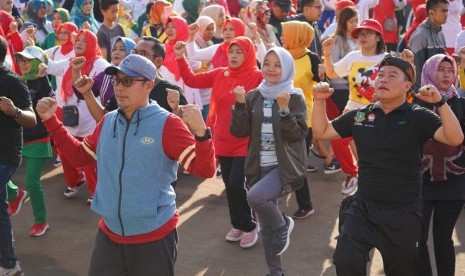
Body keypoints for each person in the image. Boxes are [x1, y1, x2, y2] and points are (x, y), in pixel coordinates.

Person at [36, 54, 216, 275]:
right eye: (117, 80)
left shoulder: (168, 124)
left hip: (154, 238)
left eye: (128, 81)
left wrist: (201, 133)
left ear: (149, 85)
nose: (120, 87)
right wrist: (51, 120)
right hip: (109, 234)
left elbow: (204, 169)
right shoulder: (108, 121)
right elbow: (79, 156)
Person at [312, 55, 463, 275]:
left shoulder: (417, 116)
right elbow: (322, 132)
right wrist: (319, 101)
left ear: (407, 86)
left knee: (402, 270)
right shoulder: (361, 115)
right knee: (346, 260)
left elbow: (454, 138)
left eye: (392, 76)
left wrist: (440, 103)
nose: (383, 79)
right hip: (363, 208)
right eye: (380, 75)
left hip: (402, 213)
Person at [176, 36, 261, 248]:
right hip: (222, 139)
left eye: (239, 52)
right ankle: (239, 223)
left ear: (248, 54)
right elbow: (192, 81)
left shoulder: (257, 77)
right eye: (230, 52)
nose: (233, 56)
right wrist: (180, 58)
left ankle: (251, 226)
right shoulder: (220, 73)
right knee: (229, 185)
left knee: (236, 183)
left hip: (245, 140)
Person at [230, 47, 307, 275]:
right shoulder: (255, 95)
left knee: (255, 197)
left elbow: (299, 134)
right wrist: (240, 105)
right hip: (259, 167)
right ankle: (276, 272)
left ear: (286, 69)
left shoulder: (294, 97)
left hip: (283, 166)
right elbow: (239, 131)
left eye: (277, 65)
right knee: (265, 228)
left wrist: (284, 110)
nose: (271, 69)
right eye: (267, 64)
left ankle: (283, 223)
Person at [322, 18, 387, 195]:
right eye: (360, 34)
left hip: (380, 110)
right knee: (337, 138)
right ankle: (353, 173)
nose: (362, 37)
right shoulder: (353, 57)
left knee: (374, 148)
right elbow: (332, 72)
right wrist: (327, 54)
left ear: (378, 37)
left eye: (367, 33)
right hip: (354, 108)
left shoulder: (387, 59)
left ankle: (373, 177)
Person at [415, 54, 465, 276]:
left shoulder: (460, 103)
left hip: (454, 181)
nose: (446, 74)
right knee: (417, 238)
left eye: (450, 70)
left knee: (443, 239)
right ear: (430, 71)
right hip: (419, 181)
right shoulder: (414, 104)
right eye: (441, 69)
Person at [75, 36, 187, 123]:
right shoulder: (123, 86)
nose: (136, 57)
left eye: (143, 54)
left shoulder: (171, 93)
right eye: (134, 52)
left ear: (158, 61)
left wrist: (176, 109)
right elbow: (104, 119)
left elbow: (187, 133)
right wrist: (87, 92)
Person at [0, 36, 37, 276]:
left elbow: (31, 119)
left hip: (5, 155)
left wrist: (13, 111)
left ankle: (9, 264)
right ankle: (9, 264)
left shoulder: (12, 81)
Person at [14, 46, 54, 237]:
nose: (23, 63)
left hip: (38, 139)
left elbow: (48, 99)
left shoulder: (42, 82)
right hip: (17, 138)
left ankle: (41, 221)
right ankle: (15, 194)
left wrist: (42, 77)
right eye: (20, 59)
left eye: (28, 60)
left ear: (39, 62)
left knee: (31, 182)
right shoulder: (17, 80)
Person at [280, 20, 318, 219]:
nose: (282, 37)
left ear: (297, 36)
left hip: (304, 118)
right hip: (281, 115)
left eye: (286, 34)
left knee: (297, 162)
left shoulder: (311, 58)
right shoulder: (282, 55)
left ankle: (306, 204)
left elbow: (323, 86)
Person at [409, 0, 448, 90]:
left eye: (447, 11)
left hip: (438, 91)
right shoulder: (420, 35)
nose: (446, 14)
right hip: (424, 94)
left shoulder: (440, 33)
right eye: (443, 11)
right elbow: (416, 71)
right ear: (431, 13)